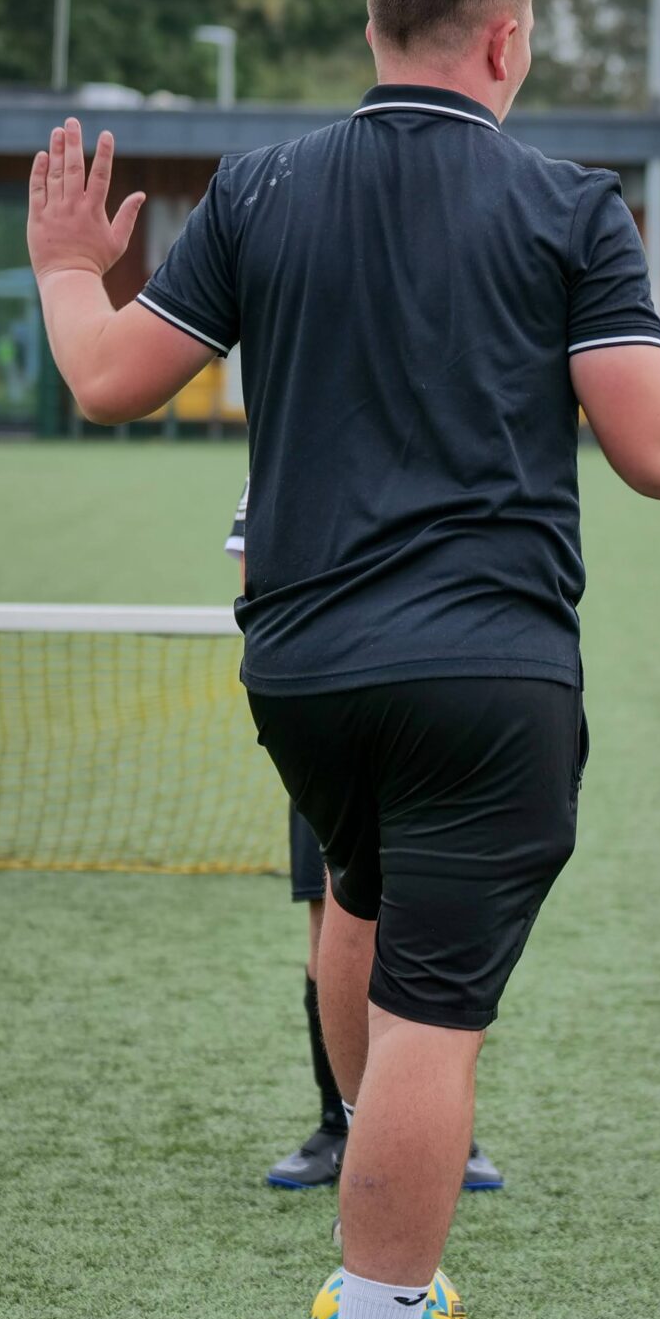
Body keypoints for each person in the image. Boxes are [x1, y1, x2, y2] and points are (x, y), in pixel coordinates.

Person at [27, 0, 660, 1319]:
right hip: (486, 671)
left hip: (301, 670)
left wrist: (68, 261)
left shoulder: (260, 188)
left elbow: (104, 377)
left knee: (360, 900)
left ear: (374, 26)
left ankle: (374, 1266)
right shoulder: (567, 203)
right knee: (436, 1024)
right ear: (505, 37)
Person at [227, 478, 503, 1195]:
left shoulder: (463, 449)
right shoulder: (289, 450)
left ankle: (440, 1125)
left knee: (442, 924)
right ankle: (338, 1124)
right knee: (332, 914)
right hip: (330, 706)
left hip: (439, 705)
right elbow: (254, 572)